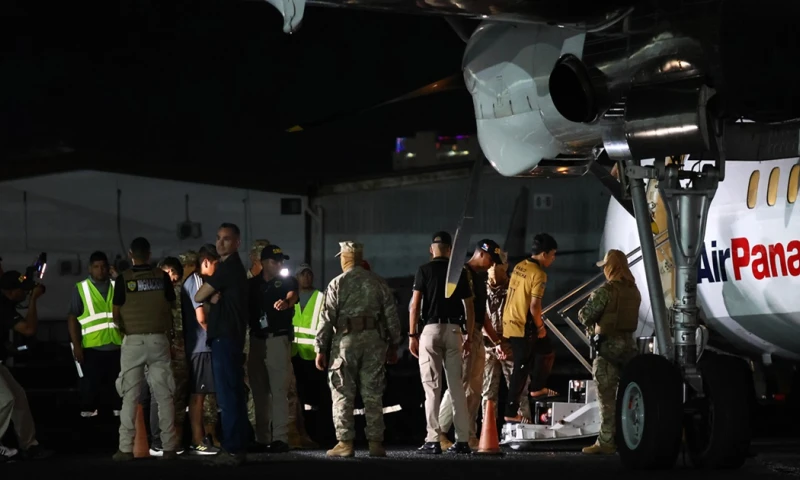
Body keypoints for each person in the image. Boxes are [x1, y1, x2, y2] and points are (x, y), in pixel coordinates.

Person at [315, 241, 402, 458]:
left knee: (343, 392)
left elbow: (326, 319)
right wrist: (393, 344)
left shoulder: (337, 283)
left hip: (345, 343)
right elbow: (391, 317)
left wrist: (320, 348)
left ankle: (345, 443)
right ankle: (375, 443)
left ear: (345, 258)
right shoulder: (378, 282)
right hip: (374, 342)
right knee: (373, 393)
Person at [111, 237, 178, 461]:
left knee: (130, 396)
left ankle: (125, 449)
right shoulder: (162, 277)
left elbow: (115, 313)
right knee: (164, 396)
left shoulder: (123, 279)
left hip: (133, 342)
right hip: (159, 340)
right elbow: (171, 304)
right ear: (149, 254)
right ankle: (169, 447)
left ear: (131, 254)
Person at [408, 232, 474, 455]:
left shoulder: (424, 270)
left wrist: (412, 335)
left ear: (431, 249)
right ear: (449, 250)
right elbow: (470, 307)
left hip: (430, 330)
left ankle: (433, 440)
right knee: (456, 387)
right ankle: (463, 440)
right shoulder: (459, 272)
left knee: (432, 388)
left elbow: (415, 305)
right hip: (455, 330)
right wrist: (469, 335)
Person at [438, 239, 503, 450]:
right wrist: (465, 335)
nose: (492, 265)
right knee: (459, 383)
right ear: (482, 254)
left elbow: (483, 315)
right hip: (464, 333)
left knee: (475, 388)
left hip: (475, 335)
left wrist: (496, 341)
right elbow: (465, 308)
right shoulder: (463, 274)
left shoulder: (478, 278)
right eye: (491, 260)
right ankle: (437, 433)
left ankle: (468, 436)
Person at [195, 223, 251, 466]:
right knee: (234, 394)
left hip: (225, 338)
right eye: (218, 238)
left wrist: (210, 294)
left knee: (228, 396)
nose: (220, 243)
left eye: (226, 239)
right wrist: (214, 296)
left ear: (237, 242)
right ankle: (239, 444)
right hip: (231, 337)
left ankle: (232, 449)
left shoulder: (227, 269)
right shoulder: (233, 269)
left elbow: (198, 295)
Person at [578, 249, 640, 455]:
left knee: (606, 398)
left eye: (605, 266)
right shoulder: (634, 290)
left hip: (607, 349)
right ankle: (629, 437)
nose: (604, 270)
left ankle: (606, 441)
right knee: (628, 397)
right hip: (629, 347)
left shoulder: (605, 291)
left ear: (611, 267)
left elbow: (584, 315)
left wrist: (592, 326)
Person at [502, 233, 559, 423]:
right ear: (544, 254)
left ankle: (537, 388)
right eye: (552, 254)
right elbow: (534, 306)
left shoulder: (520, 266)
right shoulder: (539, 274)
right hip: (522, 325)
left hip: (509, 321)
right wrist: (540, 326)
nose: (553, 258)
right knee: (521, 368)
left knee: (545, 351)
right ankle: (511, 412)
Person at [248, 245, 297, 453]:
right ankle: (261, 438)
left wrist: (286, 302)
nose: (279, 265)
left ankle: (280, 438)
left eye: (281, 261)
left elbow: (293, 294)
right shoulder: (251, 285)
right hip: (256, 341)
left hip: (277, 339)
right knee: (259, 392)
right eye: (275, 261)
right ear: (263, 262)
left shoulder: (287, 280)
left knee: (278, 391)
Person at [0, 271, 52, 461]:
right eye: (22, 290)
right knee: (6, 400)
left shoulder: (6, 304)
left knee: (19, 398)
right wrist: (34, 301)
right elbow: (29, 329)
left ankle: (29, 446)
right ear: (11, 292)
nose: (26, 293)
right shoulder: (3, 307)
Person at [67, 251, 122, 420]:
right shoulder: (81, 288)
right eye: (97, 267)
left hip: (117, 346)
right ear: (90, 269)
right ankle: (89, 426)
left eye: (104, 267)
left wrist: (118, 278)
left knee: (118, 390)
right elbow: (72, 318)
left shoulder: (116, 286)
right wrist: (77, 345)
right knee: (90, 389)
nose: (101, 270)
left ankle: (117, 422)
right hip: (92, 347)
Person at [181, 246, 221, 453]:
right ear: (206, 261)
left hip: (200, 345)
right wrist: (214, 336)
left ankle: (201, 438)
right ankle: (197, 439)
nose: (218, 268)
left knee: (201, 395)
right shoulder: (196, 281)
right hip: (201, 345)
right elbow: (201, 318)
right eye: (216, 264)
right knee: (198, 396)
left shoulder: (198, 282)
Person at [482, 251, 530, 422]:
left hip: (511, 345)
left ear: (506, 265)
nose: (495, 268)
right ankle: (489, 433)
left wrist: (510, 343)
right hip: (487, 346)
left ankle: (523, 429)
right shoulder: (481, 290)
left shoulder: (515, 290)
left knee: (518, 390)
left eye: (499, 264)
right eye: (492, 264)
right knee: (487, 393)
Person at [288, 263, 321, 449]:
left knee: (314, 398)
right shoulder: (291, 296)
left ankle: (315, 433)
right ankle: (300, 433)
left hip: (313, 355)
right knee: (297, 396)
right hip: (294, 354)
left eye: (309, 274)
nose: (306, 277)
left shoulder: (321, 297)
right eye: (303, 274)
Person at [243, 239, 270, 432]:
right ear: (253, 258)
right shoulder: (243, 283)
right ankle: (253, 430)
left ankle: (269, 430)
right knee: (251, 388)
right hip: (247, 343)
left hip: (268, 341)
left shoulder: (272, 283)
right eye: (263, 258)